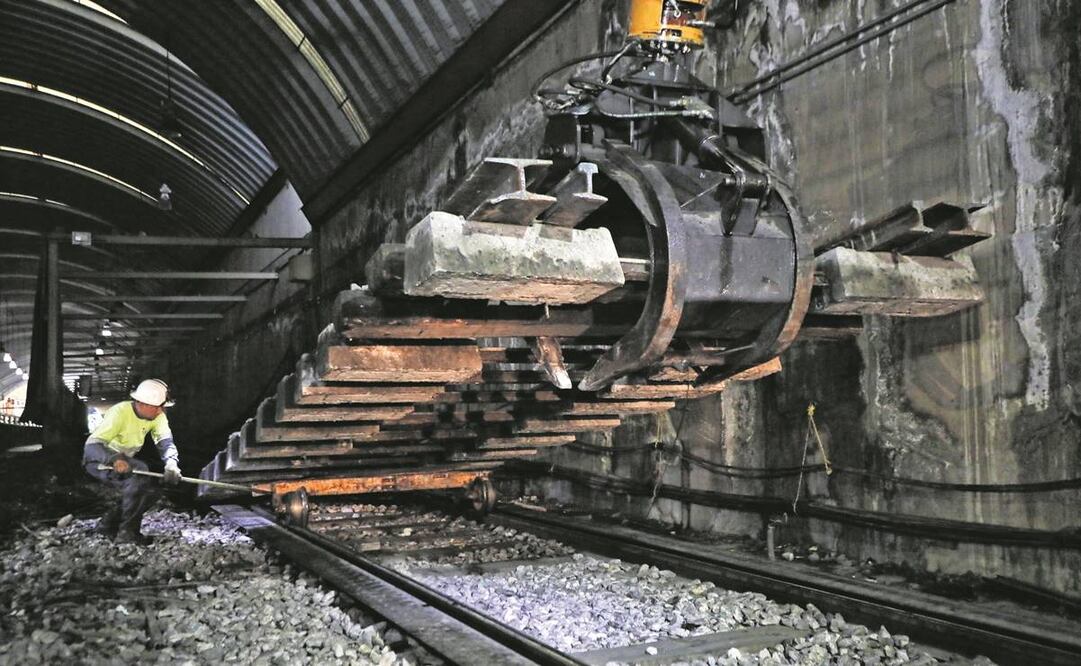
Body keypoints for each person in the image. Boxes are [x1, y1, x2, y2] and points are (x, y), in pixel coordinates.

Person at [81, 378, 182, 544]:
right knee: (139, 478)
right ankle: (127, 534)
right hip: (99, 461)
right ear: (144, 404)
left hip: (126, 461)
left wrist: (172, 463)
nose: (161, 411)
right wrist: (114, 459)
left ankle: (107, 525)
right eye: (159, 407)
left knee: (154, 490)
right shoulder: (119, 412)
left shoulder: (158, 416)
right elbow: (92, 446)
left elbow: (165, 442)